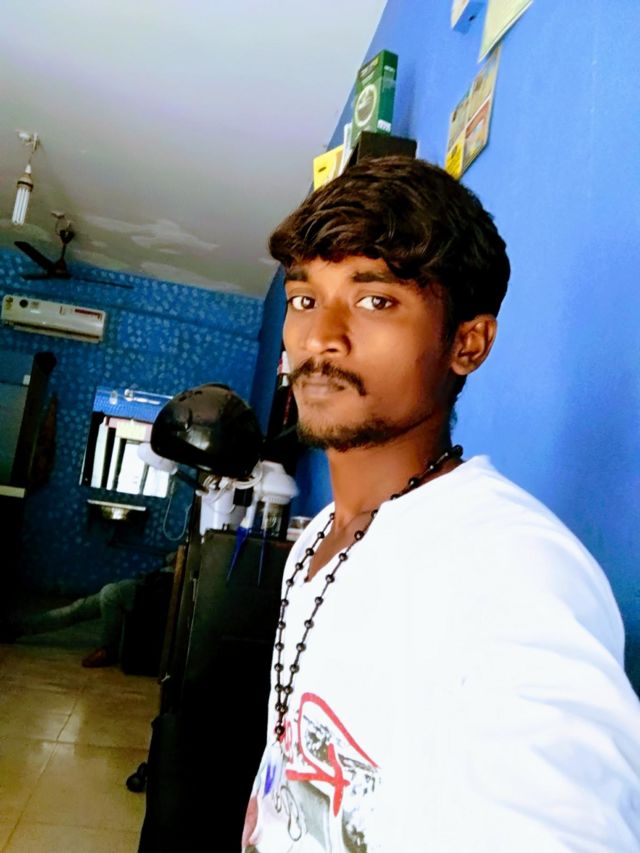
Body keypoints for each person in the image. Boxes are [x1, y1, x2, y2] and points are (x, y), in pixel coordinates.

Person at [242, 157, 640, 851]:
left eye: (375, 300)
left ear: (467, 343)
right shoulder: (316, 542)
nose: (320, 336)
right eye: (305, 299)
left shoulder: (516, 574)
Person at [0, 552, 176, 668]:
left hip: (158, 593)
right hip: (152, 586)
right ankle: (15, 629)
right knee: (78, 608)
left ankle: (108, 650)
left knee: (110, 593)